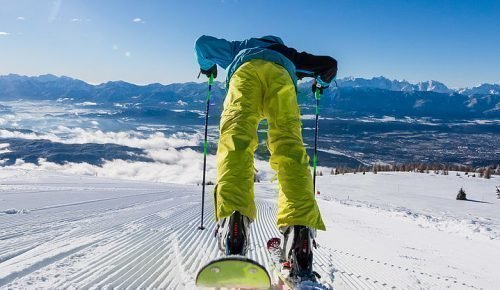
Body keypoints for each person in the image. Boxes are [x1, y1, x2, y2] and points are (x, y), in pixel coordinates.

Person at [194, 35, 337, 278]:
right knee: (289, 149)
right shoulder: (289, 54)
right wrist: (320, 85)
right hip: (281, 78)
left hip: (244, 75)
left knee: (236, 143)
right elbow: (328, 65)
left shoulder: (238, 48)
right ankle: (299, 233)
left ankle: (234, 223)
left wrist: (207, 68)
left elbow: (202, 44)